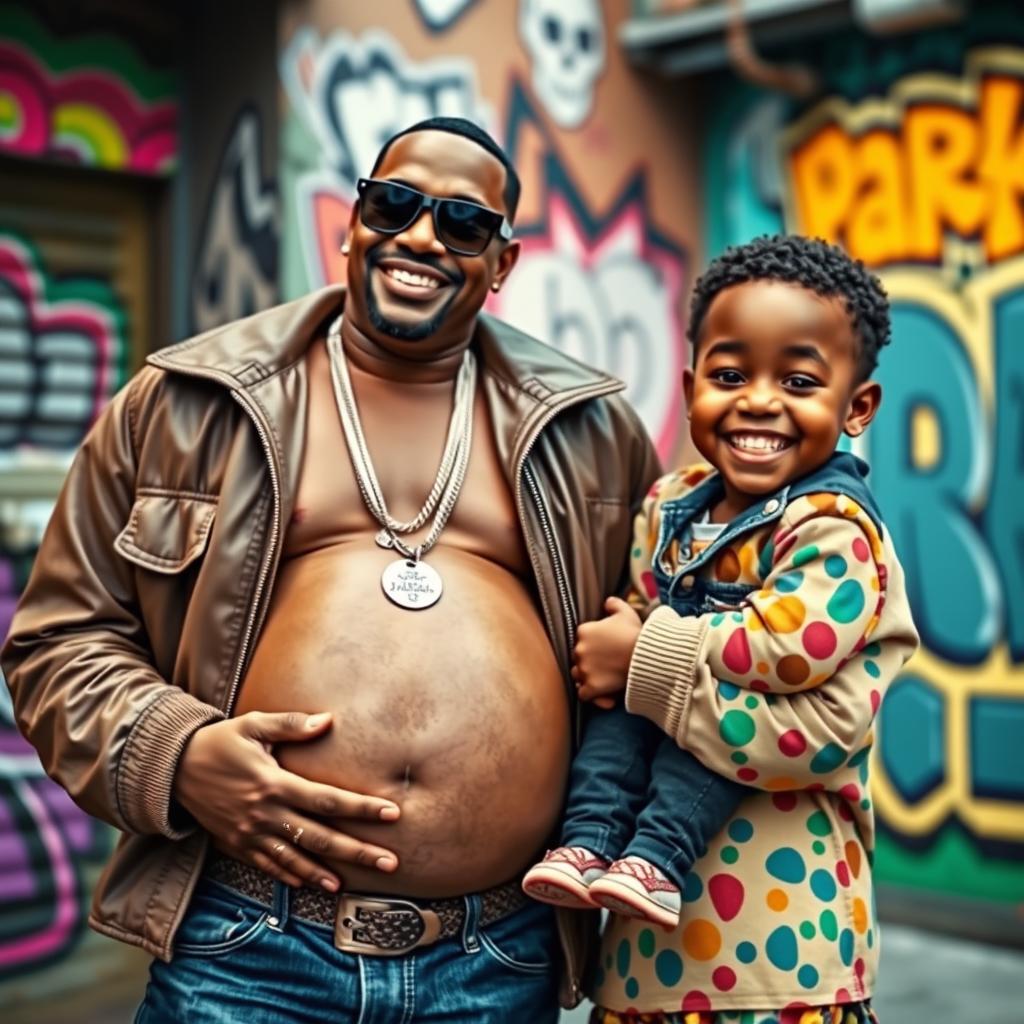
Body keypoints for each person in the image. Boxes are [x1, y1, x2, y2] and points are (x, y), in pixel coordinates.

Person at [1, 116, 660, 1022]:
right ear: (352, 223)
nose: (421, 236)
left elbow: (685, 637)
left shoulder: (593, 433)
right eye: (396, 205)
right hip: (247, 949)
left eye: (463, 223)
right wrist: (177, 753)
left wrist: (657, 661)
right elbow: (58, 642)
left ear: (501, 263)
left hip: (499, 958)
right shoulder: (189, 402)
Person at [524, 235, 919, 1023]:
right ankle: (590, 840)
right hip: (642, 966)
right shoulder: (672, 505)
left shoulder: (836, 531)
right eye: (730, 375)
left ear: (857, 407)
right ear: (692, 383)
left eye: (800, 381)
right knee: (616, 726)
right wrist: (628, 663)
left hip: (785, 959)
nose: (759, 400)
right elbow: (625, 637)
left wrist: (645, 656)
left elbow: (793, 668)